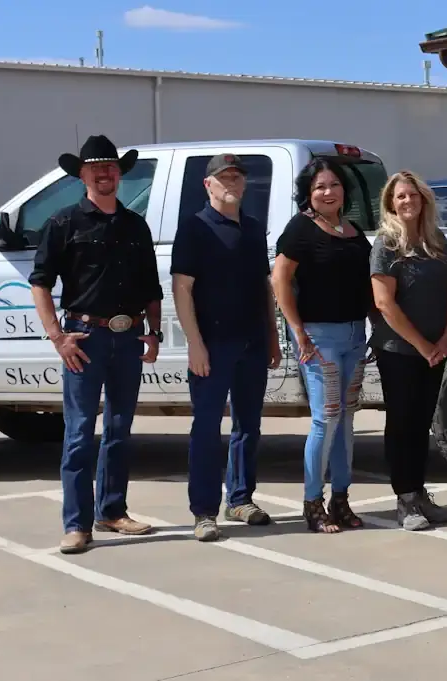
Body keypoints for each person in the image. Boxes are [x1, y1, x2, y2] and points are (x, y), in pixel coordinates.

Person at [28, 134, 165, 555]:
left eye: (111, 167)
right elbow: (40, 282)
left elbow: (151, 286)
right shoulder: (64, 222)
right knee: (79, 433)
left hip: (128, 338)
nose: (104, 173)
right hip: (83, 338)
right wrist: (57, 337)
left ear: (119, 174)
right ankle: (76, 524)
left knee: (120, 430)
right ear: (82, 175)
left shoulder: (135, 224)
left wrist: (154, 332)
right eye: (96, 168)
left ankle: (112, 511)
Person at [171, 154, 282, 542]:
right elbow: (181, 289)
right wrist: (195, 345)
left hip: (251, 342)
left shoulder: (252, 228)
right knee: (206, 428)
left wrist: (271, 335)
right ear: (209, 185)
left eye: (237, 177)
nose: (232, 183)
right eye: (224, 178)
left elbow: (263, 287)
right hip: (213, 345)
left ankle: (240, 498)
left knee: (248, 426)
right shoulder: (194, 229)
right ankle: (204, 512)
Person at [272, 158, 374, 534]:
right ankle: (312, 503)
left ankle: (341, 499)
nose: (328, 192)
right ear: (308, 194)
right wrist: (297, 331)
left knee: (347, 419)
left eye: (333, 185)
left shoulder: (353, 230)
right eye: (319, 187)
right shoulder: (300, 228)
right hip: (319, 338)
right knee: (325, 419)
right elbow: (280, 280)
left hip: (353, 336)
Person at [369, 171, 447, 531]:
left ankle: (419, 493)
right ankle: (405, 499)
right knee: (403, 424)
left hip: (436, 351)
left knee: (423, 424)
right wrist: (422, 346)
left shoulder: (436, 240)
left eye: (413, 195)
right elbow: (384, 304)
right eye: (400, 197)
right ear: (391, 203)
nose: (407, 202)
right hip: (399, 351)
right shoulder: (386, 244)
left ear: (424, 200)